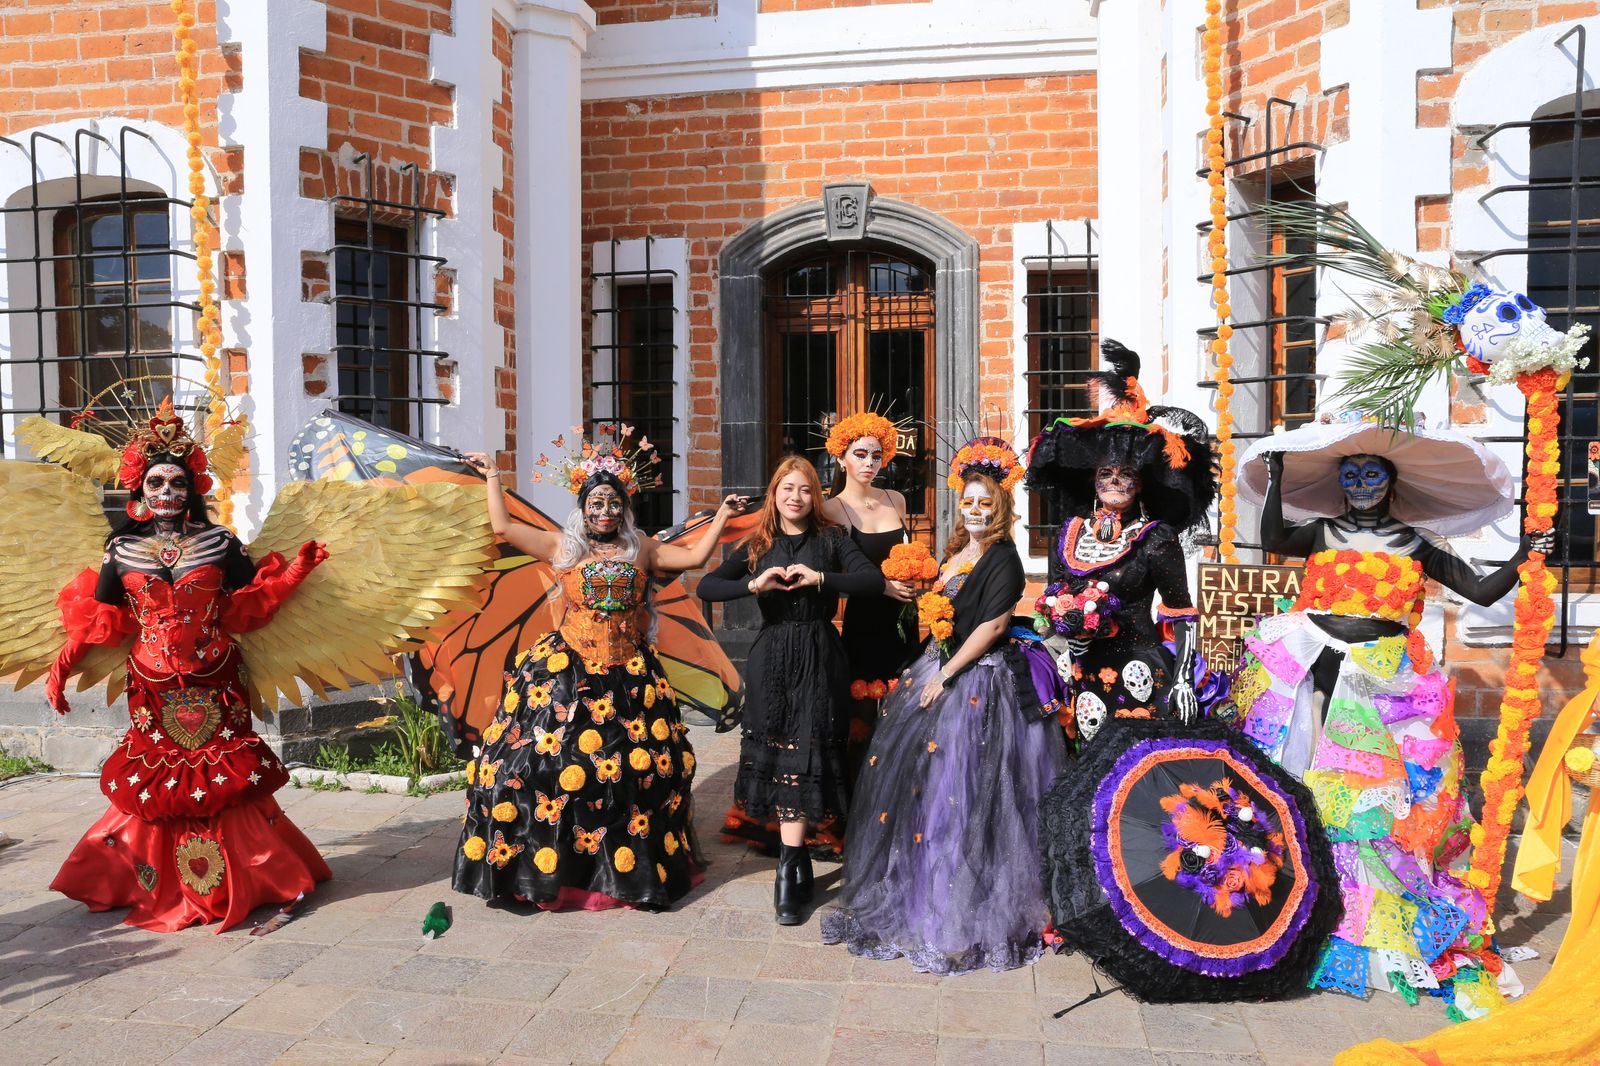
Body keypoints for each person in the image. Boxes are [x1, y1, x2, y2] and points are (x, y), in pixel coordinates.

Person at [1233, 416, 1544, 1017]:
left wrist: (1526, 557)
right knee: (1307, 786)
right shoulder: (1321, 532)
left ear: (1391, 482)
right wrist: (1277, 474)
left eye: (1373, 473)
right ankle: (1300, 906)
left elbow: (1480, 593)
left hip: (1386, 683)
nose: (1362, 483)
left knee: (1379, 806)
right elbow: (1273, 536)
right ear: (1341, 482)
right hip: (1317, 671)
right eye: (1351, 474)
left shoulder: (1417, 544)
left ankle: (1369, 916)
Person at [42, 402, 331, 932]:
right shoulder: (122, 549)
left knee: (223, 776)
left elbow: (252, 604)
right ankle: (158, 882)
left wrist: (297, 570)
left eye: (176, 482)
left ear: (192, 486)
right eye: (156, 482)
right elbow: (101, 619)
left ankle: (250, 875)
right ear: (140, 490)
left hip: (217, 675)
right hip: (150, 682)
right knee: (159, 779)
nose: (167, 492)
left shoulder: (220, 542)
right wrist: (61, 668)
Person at [451, 432, 745, 910]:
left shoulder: (642, 549)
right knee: (539, 768)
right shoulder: (561, 547)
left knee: (634, 777)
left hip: (630, 677)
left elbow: (692, 559)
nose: (604, 511)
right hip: (565, 672)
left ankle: (624, 871)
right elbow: (503, 527)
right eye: (596, 502)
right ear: (582, 507)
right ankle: (554, 870)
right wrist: (493, 476)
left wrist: (724, 517)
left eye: (613, 503)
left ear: (625, 508)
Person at [822, 436, 1068, 973]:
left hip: (978, 680)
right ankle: (924, 886)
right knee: (928, 788)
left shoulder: (1003, 555)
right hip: (937, 664)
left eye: (986, 504)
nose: (976, 511)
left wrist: (947, 675)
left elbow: (994, 624)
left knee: (966, 790)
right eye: (969, 502)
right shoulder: (960, 548)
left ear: (1000, 508)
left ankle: (964, 904)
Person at [698, 455, 883, 924]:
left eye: (804, 490)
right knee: (780, 752)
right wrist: (754, 583)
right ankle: (791, 859)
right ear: (775, 493)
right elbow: (707, 586)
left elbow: (871, 580)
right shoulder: (759, 542)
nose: (796, 497)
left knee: (809, 753)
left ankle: (791, 860)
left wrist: (821, 577)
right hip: (771, 658)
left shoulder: (832, 539)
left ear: (814, 496)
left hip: (821, 655)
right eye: (787, 489)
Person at [1023, 341, 1218, 744]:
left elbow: (1181, 614)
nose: (1114, 482)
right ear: (1093, 480)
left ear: (1141, 481)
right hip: (1082, 673)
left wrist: (1183, 679)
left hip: (1140, 671)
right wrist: (1061, 636)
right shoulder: (1069, 532)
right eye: (1106, 473)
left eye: (1124, 474)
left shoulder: (1155, 537)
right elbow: (1052, 600)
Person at [820, 413, 919, 781]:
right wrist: (882, 585)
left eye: (876, 456)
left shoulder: (897, 499)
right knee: (862, 711)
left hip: (903, 617)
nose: (868, 463)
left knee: (902, 707)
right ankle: (858, 798)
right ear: (841, 456)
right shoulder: (832, 509)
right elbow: (837, 576)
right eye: (860, 454)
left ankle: (897, 793)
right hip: (865, 617)